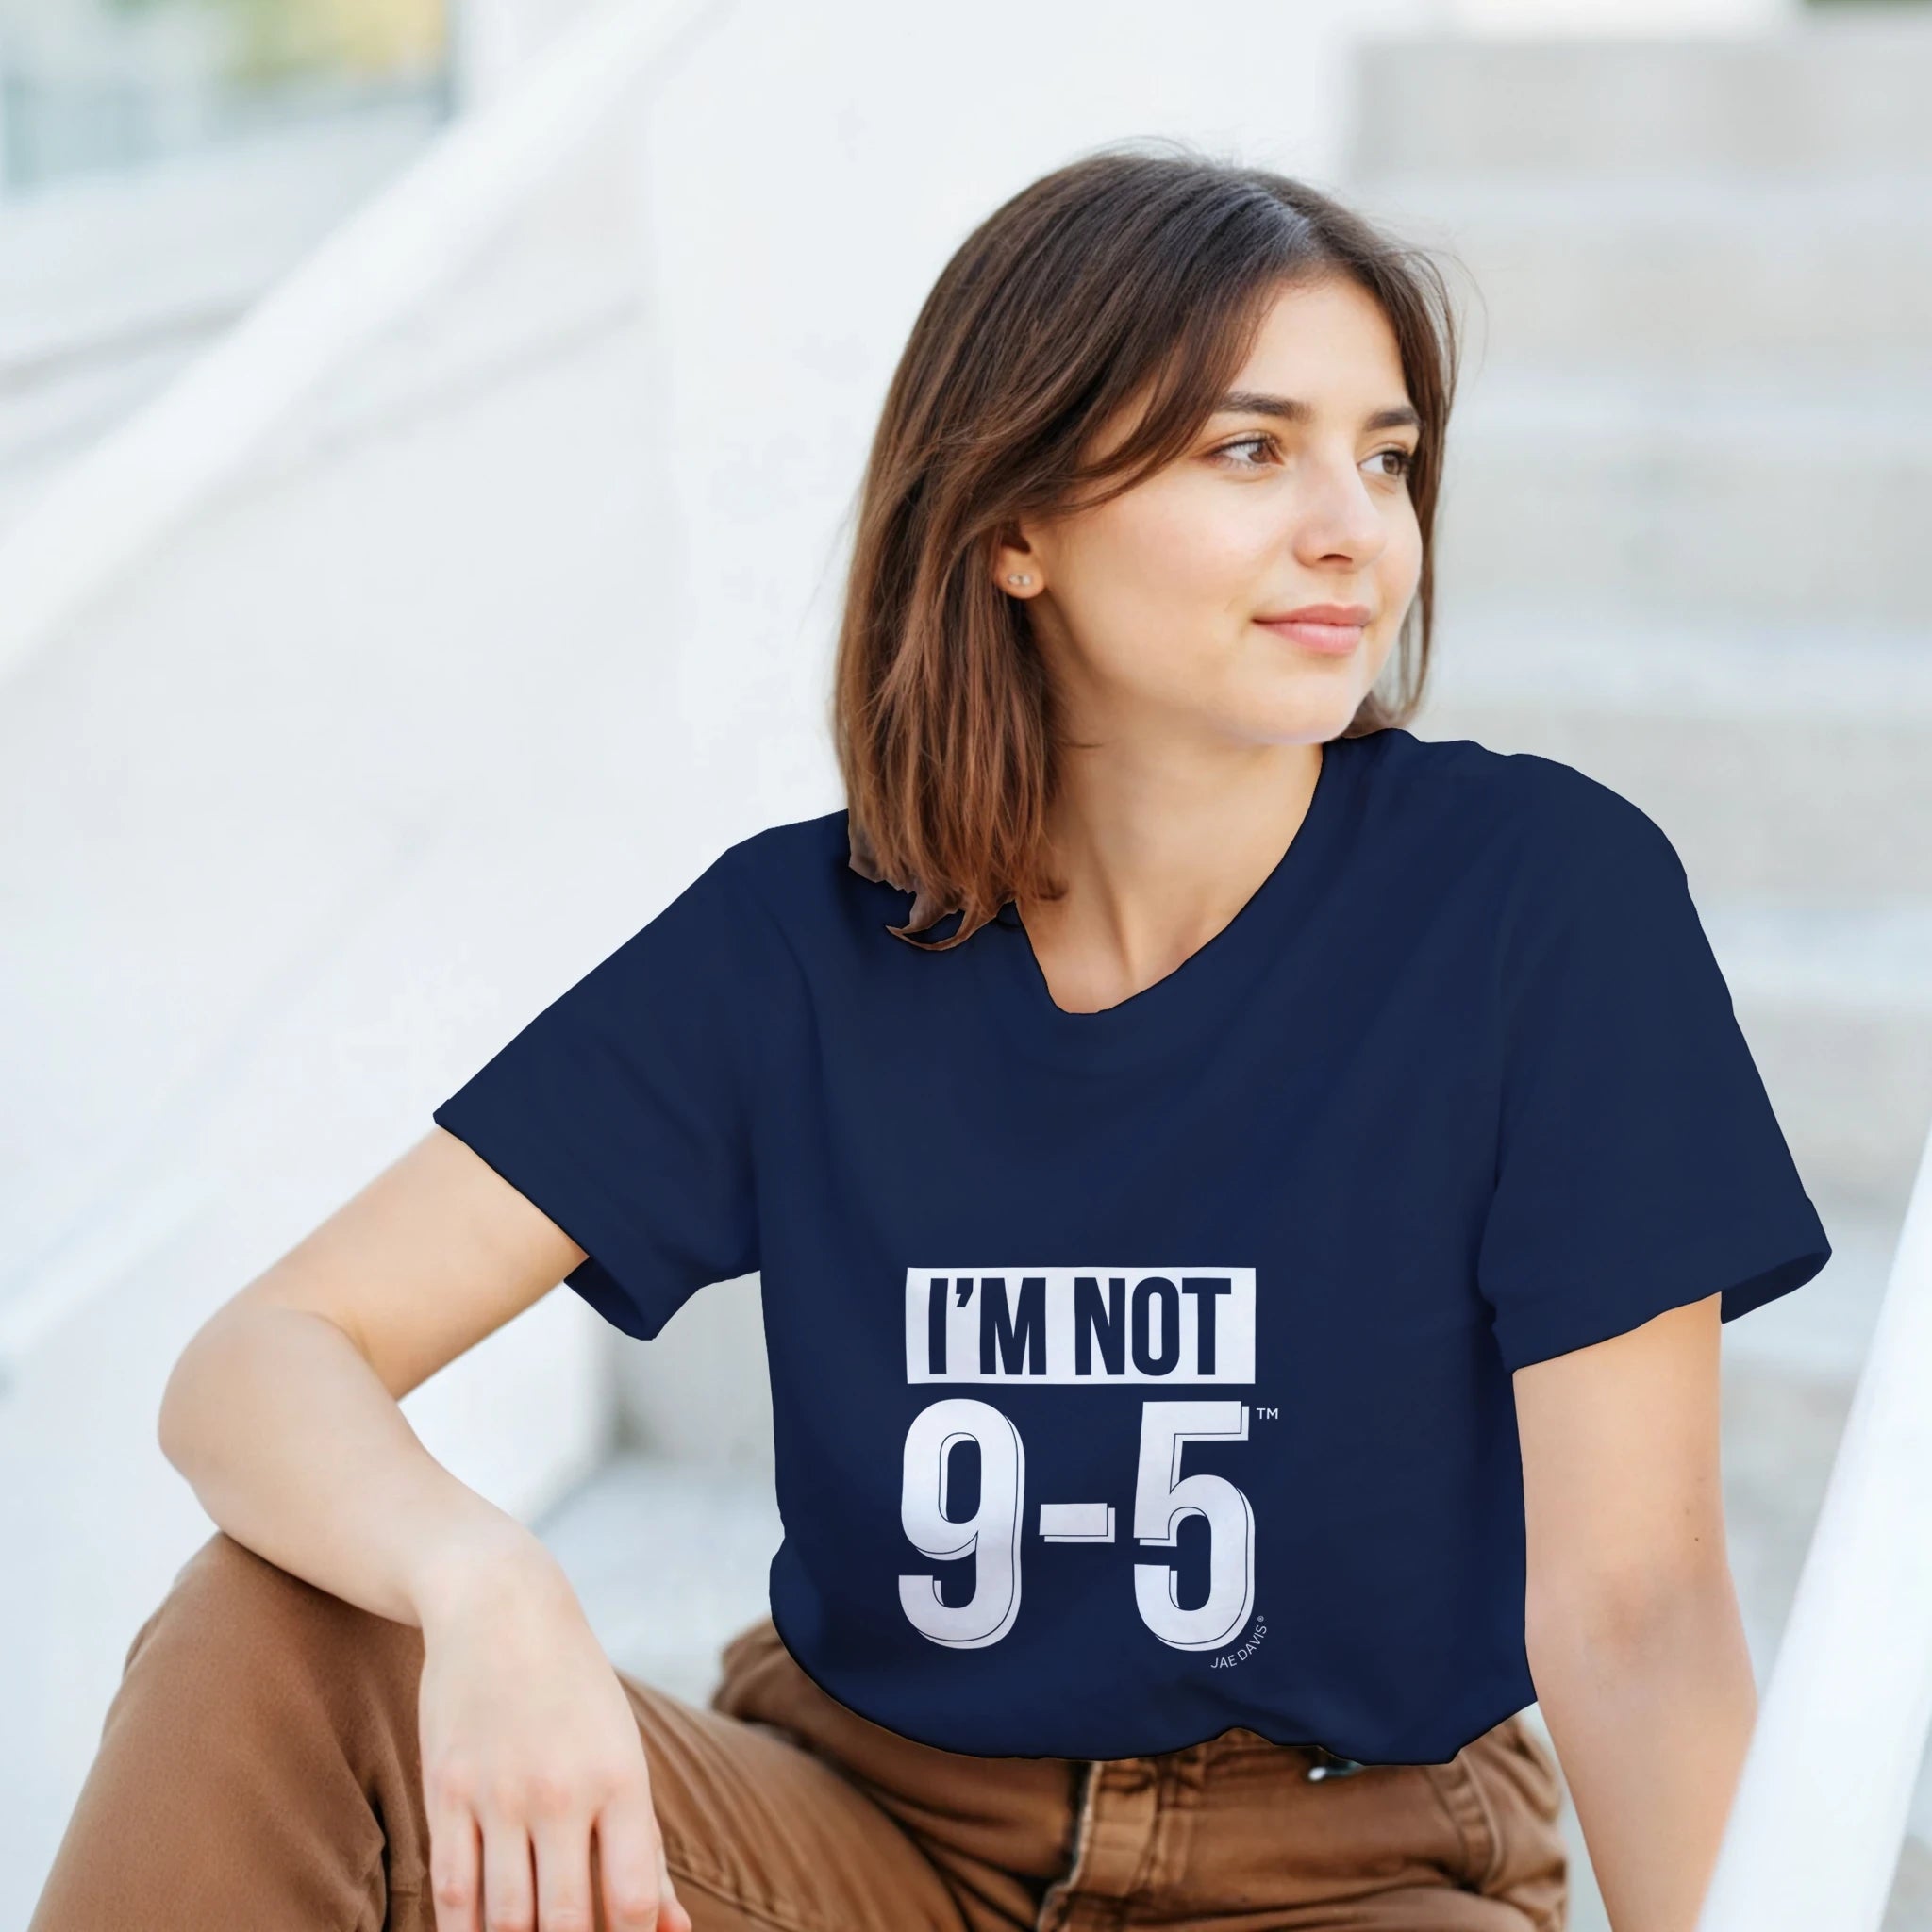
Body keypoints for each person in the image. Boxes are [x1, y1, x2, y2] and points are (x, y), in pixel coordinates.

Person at [29, 142, 1832, 1932]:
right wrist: (483, 1578)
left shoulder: (1537, 901)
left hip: (1348, 1869)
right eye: (1249, 449)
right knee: (272, 1630)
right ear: (1014, 525)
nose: (1353, 527)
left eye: (1387, 457)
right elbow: (263, 1356)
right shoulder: (804, 943)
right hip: (863, 1834)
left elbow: (1637, 1609)